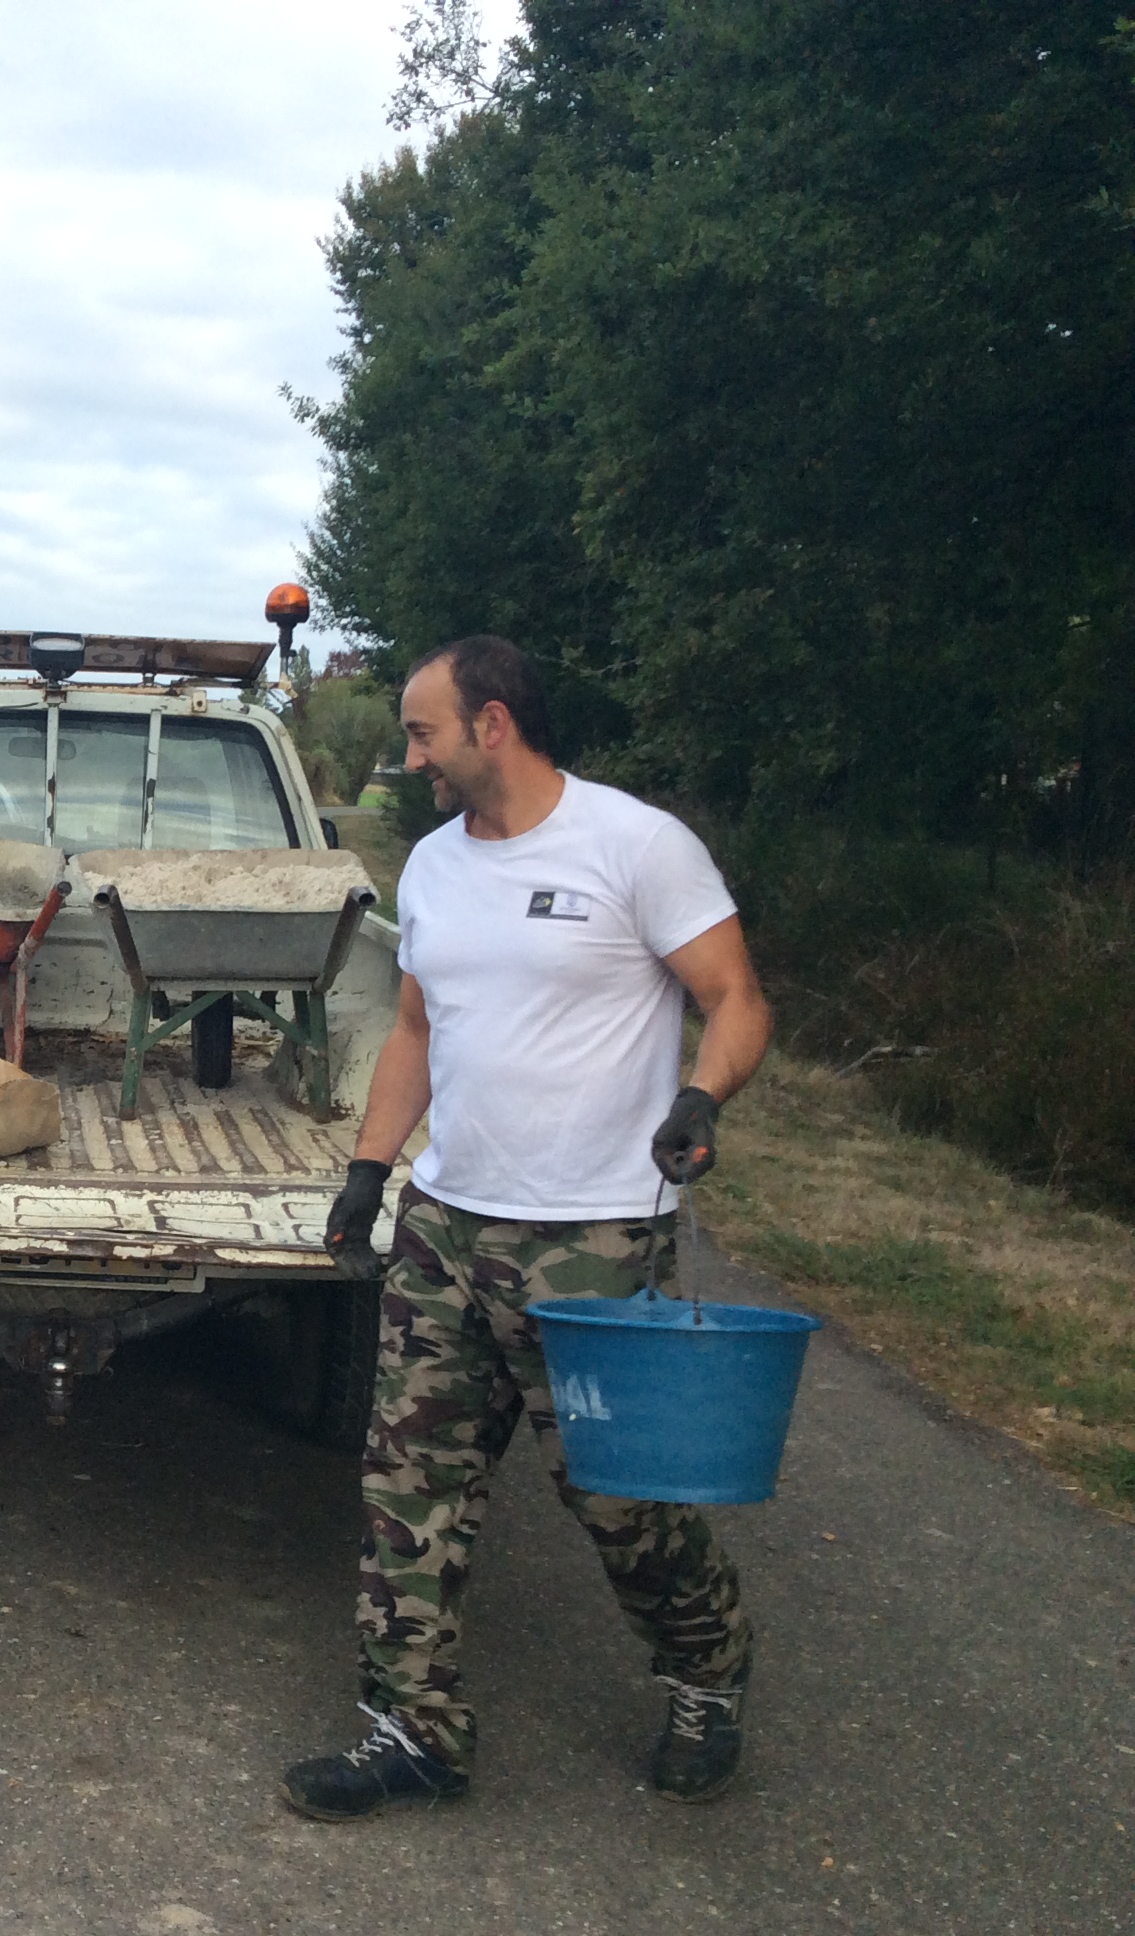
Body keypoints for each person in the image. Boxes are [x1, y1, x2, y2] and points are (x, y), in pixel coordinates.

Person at [281, 634, 772, 1819]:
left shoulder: (636, 846)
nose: (412, 756)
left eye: (422, 732)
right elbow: (415, 1029)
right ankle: (413, 1731)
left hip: (592, 1239)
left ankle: (708, 1669)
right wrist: (369, 1169)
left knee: (618, 1497)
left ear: (491, 724)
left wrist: (702, 1097)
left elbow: (737, 1001)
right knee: (411, 1482)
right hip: (447, 1223)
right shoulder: (438, 867)